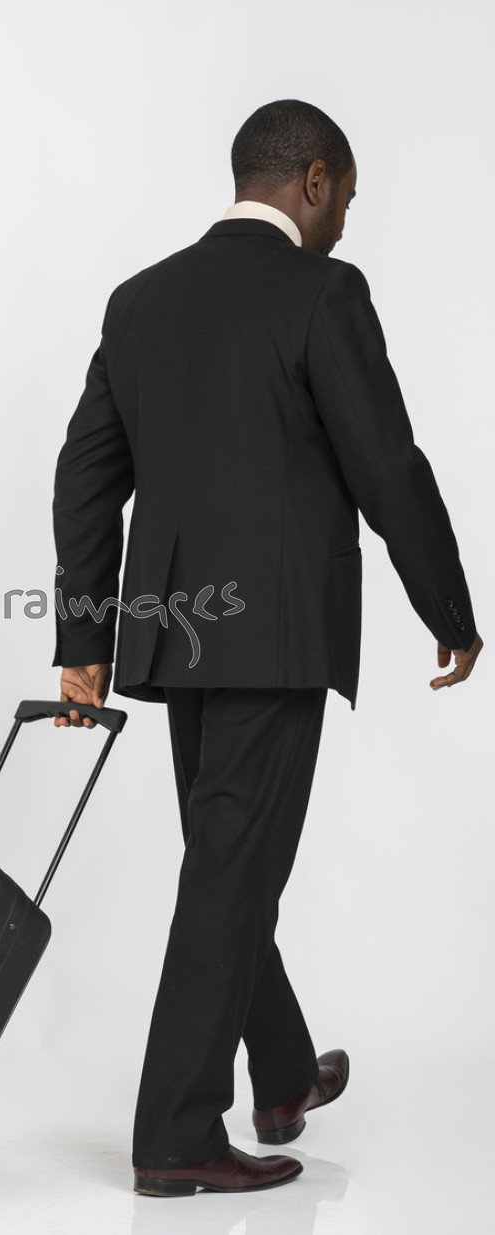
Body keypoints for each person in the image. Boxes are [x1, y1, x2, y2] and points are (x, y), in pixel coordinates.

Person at [50, 99, 483, 1197]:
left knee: (224, 860)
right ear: (314, 180)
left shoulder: (140, 299)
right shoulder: (321, 291)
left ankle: (282, 1071)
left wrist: (83, 636)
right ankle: (174, 1133)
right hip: (275, 629)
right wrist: (447, 607)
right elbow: (386, 464)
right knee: (230, 869)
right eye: (345, 198)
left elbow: (85, 476)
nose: (343, 221)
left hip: (172, 628)